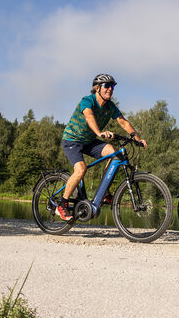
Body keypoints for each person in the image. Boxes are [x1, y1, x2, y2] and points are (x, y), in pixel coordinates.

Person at [55, 73, 147, 220]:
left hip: (89, 141)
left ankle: (103, 192)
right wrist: (100, 132)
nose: (110, 89)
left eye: (112, 86)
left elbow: (123, 122)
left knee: (114, 154)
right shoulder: (87, 101)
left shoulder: (110, 106)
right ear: (97, 88)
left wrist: (137, 139)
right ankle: (62, 204)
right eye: (107, 86)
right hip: (72, 140)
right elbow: (89, 116)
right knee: (81, 169)